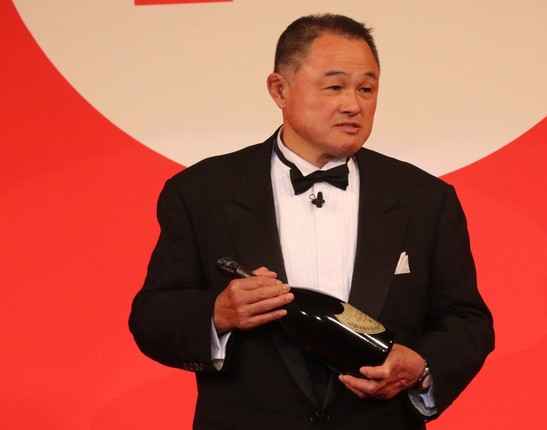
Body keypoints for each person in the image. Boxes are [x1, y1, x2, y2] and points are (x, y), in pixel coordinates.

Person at [129, 13, 494, 430]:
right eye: (334, 87)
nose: (353, 105)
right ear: (279, 89)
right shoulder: (201, 192)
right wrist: (218, 313)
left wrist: (422, 368)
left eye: (366, 88)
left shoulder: (425, 199)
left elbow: (466, 320)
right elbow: (153, 316)